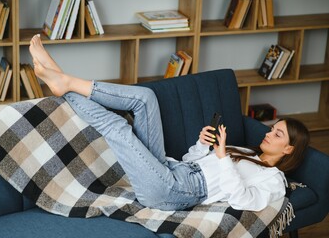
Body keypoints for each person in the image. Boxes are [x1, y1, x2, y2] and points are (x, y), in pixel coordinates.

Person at [29, 34, 310, 212]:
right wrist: (202, 144)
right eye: (273, 129)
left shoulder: (273, 181)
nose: (269, 133)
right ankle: (61, 78)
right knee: (145, 99)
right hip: (171, 168)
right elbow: (192, 160)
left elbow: (242, 200)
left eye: (278, 134)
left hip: (172, 192)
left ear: (289, 149)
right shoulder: (249, 153)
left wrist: (223, 156)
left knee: (118, 129)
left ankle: (60, 79)